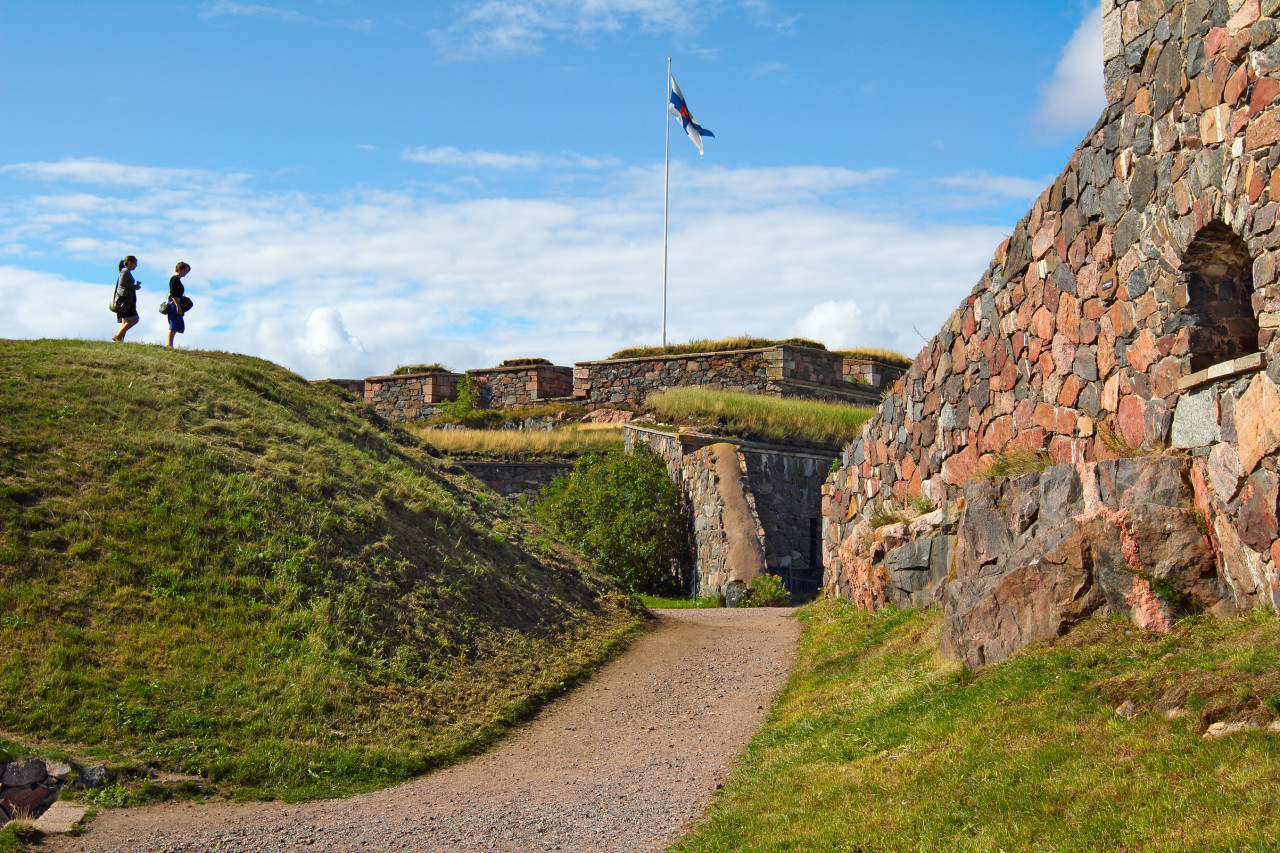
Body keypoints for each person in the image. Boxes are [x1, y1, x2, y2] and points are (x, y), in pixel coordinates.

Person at [111, 256, 142, 342]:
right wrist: (134, 286)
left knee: (125, 321)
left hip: (126, 299)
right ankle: (118, 336)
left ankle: (120, 339)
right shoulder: (125, 271)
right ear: (130, 262)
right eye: (135, 263)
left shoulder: (125, 271)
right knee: (134, 319)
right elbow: (122, 283)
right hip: (125, 300)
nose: (136, 266)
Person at [165, 262, 192, 348]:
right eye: (185, 271)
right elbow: (173, 294)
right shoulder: (174, 279)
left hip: (177, 302)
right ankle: (169, 344)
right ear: (180, 269)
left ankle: (170, 344)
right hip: (174, 303)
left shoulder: (177, 279)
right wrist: (177, 305)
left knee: (176, 325)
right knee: (173, 324)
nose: (186, 273)